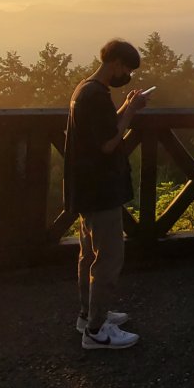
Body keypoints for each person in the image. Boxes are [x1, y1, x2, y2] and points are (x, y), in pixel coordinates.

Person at [64, 38, 149, 350]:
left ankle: (88, 315)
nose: (127, 75)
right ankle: (96, 331)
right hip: (101, 189)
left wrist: (126, 106)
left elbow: (104, 128)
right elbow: (108, 143)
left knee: (89, 255)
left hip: (86, 188)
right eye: (127, 69)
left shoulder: (85, 89)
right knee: (109, 258)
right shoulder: (96, 97)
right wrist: (132, 113)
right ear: (116, 64)